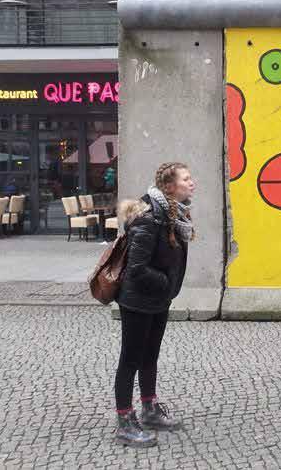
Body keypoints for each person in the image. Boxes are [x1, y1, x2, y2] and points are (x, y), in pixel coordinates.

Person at [112, 162, 195, 448]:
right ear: (169, 186)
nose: (192, 183)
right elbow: (136, 269)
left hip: (158, 298)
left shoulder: (172, 213)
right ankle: (125, 421)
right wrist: (166, 282)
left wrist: (166, 288)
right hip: (137, 300)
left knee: (150, 356)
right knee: (130, 360)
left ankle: (149, 409)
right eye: (186, 179)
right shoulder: (149, 218)